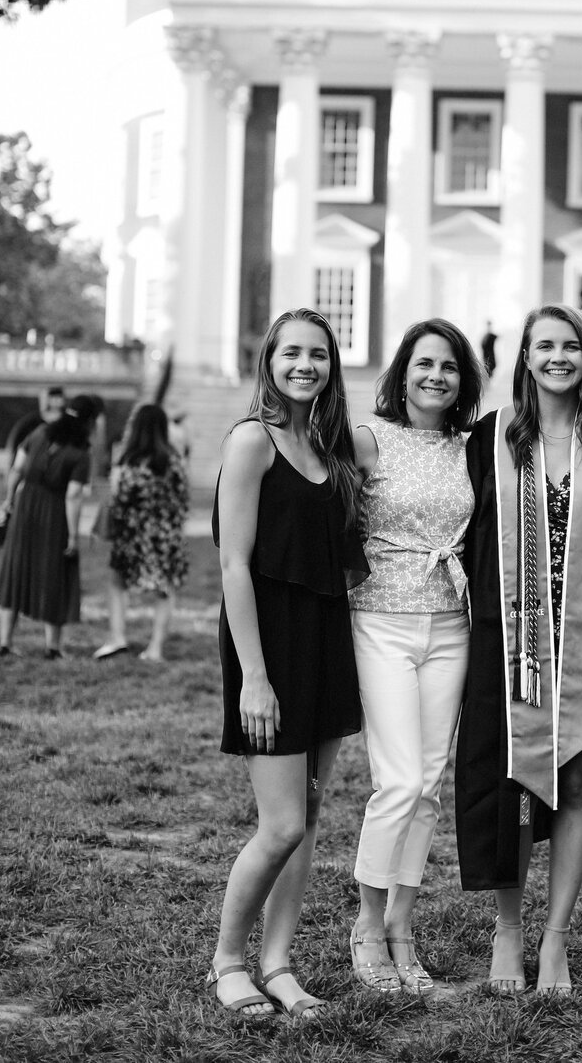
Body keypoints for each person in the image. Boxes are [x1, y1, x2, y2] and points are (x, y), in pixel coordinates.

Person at [455, 304, 582, 996]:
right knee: (512, 789)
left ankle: (555, 938)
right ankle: (508, 933)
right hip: (509, 649)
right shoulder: (490, 438)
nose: (557, 357)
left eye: (570, 346)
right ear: (524, 357)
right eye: (544, 346)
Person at [206, 309, 368, 1021]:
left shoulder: (328, 451)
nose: (306, 365)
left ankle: (279, 963)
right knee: (279, 823)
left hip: (327, 637)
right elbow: (233, 566)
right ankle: (228, 963)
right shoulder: (252, 442)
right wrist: (255, 677)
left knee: (306, 816)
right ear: (269, 359)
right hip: (268, 642)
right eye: (292, 353)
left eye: (319, 355)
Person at [349, 318, 484, 993]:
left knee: (428, 787)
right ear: (402, 371)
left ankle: (403, 926)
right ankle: (367, 927)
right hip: (380, 621)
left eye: (449, 367)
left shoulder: (472, 447)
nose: (435, 376)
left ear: (463, 380)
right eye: (424, 363)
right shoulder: (370, 440)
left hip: (450, 625)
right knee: (397, 780)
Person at [0, 394, 96, 659]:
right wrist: (73, 536)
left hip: (24, 506)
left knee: (15, 570)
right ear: (90, 422)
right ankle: (53, 647)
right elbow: (73, 496)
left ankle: (5, 642)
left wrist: (8, 500)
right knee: (54, 573)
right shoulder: (80, 453)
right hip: (54, 513)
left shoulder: (39, 432)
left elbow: (17, 468)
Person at [93, 404, 190, 662]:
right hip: (166, 536)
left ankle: (118, 637)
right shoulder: (174, 462)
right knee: (164, 591)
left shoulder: (127, 463)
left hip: (132, 536)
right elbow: (183, 499)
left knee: (117, 584)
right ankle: (155, 648)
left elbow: (117, 500)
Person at [3, 385, 66, 472]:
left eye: (57, 398)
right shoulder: (30, 424)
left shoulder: (66, 424)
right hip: (31, 471)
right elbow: (15, 447)